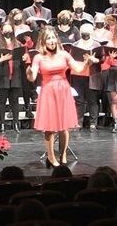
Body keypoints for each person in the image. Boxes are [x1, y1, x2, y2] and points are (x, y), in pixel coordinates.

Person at [26, 27, 85, 167]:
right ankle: (51, 157)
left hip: (63, 90)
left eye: (53, 38)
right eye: (48, 38)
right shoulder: (39, 57)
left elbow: (78, 69)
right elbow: (32, 76)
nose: (51, 41)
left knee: (64, 127)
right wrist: (29, 72)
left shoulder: (64, 54)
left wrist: (88, 63)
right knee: (50, 127)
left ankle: (63, 154)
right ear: (43, 41)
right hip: (48, 92)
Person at [0, 23, 27, 133]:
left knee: (15, 101)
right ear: (2, 32)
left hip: (15, 76)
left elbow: (22, 59)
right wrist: (1, 60)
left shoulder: (18, 44)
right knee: (2, 101)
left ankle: (16, 123)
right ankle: (2, 123)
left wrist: (24, 58)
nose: (8, 32)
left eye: (10, 30)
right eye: (5, 30)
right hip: (3, 76)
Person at [71, 24, 102, 131]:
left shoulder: (97, 45)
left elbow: (102, 58)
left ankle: (93, 123)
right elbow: (71, 58)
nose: (85, 34)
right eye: (83, 32)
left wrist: (95, 60)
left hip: (92, 75)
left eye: (87, 32)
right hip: (78, 74)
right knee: (79, 100)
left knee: (92, 100)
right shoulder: (75, 44)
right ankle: (78, 122)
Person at [11, 8, 35, 119]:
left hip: (25, 58)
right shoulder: (9, 27)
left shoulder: (26, 27)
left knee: (26, 85)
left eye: (19, 15)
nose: (18, 17)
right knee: (14, 85)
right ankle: (13, 109)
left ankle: (27, 108)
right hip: (14, 58)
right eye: (15, 15)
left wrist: (27, 40)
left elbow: (30, 45)